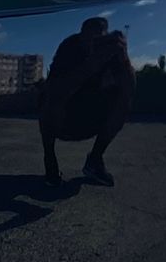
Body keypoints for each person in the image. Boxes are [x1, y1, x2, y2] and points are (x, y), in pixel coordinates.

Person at [37, 16, 134, 186]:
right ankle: (49, 157)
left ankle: (95, 159)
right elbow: (55, 90)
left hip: (91, 112)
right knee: (47, 98)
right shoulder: (69, 47)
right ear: (80, 35)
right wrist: (91, 65)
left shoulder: (109, 50)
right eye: (89, 38)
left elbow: (129, 90)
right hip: (64, 114)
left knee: (123, 101)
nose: (93, 44)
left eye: (99, 39)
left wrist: (124, 60)